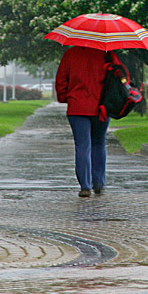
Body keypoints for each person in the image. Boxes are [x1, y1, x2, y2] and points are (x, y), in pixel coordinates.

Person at [55, 46, 111, 198]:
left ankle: (85, 186)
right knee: (99, 142)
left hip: (77, 107)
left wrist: (65, 97)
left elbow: (61, 79)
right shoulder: (106, 54)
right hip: (102, 107)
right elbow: (118, 75)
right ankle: (99, 183)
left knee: (82, 146)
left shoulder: (70, 54)